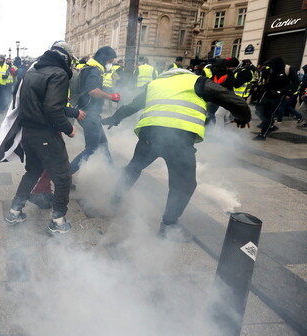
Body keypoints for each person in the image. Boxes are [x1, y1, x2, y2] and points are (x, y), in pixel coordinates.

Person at [102, 66, 251, 240]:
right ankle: (168, 225)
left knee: (134, 167)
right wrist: (243, 118)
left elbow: (133, 105)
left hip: (150, 135)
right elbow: (237, 102)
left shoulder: (155, 84)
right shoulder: (198, 82)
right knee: (184, 184)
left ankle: (115, 199)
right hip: (179, 139)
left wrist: (115, 118)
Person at [3, 41, 78, 234]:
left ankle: (14, 211)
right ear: (66, 58)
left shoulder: (32, 71)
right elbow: (53, 109)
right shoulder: (58, 74)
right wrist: (69, 129)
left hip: (28, 132)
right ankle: (58, 222)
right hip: (46, 133)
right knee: (63, 178)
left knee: (33, 171)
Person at [69, 46, 121, 175]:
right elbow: (92, 90)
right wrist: (111, 97)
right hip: (89, 114)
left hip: (89, 113)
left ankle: (112, 172)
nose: (111, 64)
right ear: (105, 59)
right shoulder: (94, 70)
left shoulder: (89, 67)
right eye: (111, 61)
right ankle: (66, 175)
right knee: (92, 148)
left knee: (103, 144)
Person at [253, 56, 298, 140]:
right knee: (258, 110)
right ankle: (270, 124)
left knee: (269, 114)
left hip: (279, 95)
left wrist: (288, 93)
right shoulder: (270, 69)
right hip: (267, 93)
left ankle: (263, 134)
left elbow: (296, 82)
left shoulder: (288, 69)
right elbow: (264, 79)